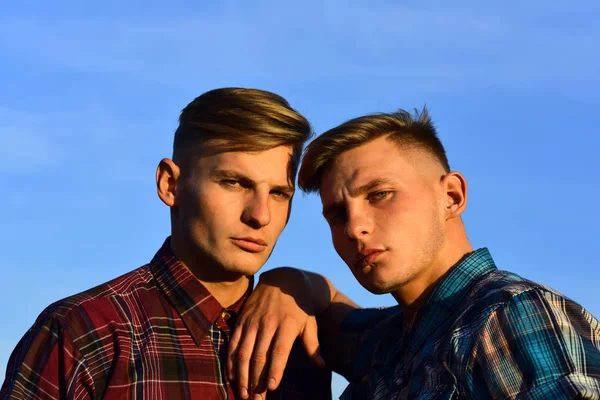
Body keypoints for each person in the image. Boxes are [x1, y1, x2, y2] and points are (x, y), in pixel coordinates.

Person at [229, 108, 600, 399]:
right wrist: (290, 282)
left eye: (379, 195)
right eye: (337, 214)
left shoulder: (508, 313)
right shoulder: (387, 343)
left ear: (451, 196)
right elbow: (335, 314)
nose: (354, 227)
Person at [0, 88, 333, 400]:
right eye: (234, 182)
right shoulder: (85, 333)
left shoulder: (304, 333)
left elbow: (384, 337)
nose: (260, 215)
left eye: (279, 193)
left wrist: (305, 283)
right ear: (170, 184)